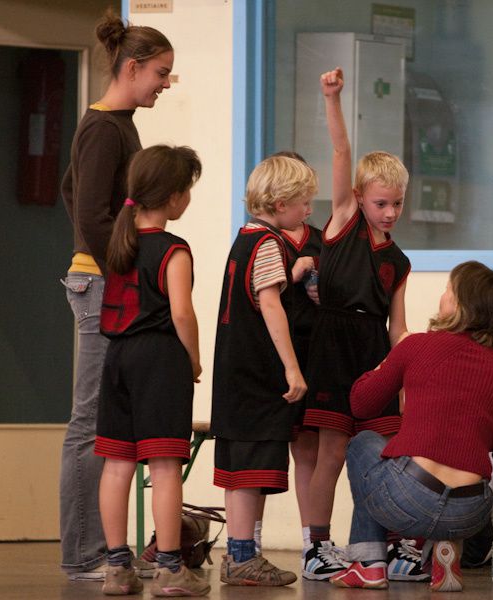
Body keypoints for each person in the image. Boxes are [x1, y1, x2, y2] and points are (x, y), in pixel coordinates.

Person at [329, 261, 493, 592]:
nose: (443, 295)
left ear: (460, 305)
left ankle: (368, 563)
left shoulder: (417, 345)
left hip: (410, 498)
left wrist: (386, 363)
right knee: (435, 470)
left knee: (365, 443)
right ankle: (445, 549)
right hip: (470, 512)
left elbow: (361, 404)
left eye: (448, 290)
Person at [59, 10, 174, 580]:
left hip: (104, 277)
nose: (165, 83)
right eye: (160, 71)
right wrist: (127, 269)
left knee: (104, 423)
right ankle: (87, 553)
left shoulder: (119, 122)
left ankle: (104, 552)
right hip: (102, 282)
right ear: (132, 67)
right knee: (90, 425)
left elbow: (68, 189)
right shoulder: (106, 126)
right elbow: (89, 213)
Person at [301, 67, 412, 582]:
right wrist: (333, 98)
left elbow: (399, 326)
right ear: (359, 198)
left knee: (381, 448)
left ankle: (377, 544)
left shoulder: (400, 262)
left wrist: (404, 373)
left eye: (396, 204)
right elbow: (342, 153)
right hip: (330, 343)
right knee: (331, 450)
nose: (389, 212)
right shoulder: (342, 220)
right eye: (380, 203)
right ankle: (315, 544)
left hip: (372, 351)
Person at [94, 145, 207, 597]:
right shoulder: (173, 249)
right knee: (164, 468)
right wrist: (194, 359)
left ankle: (117, 567)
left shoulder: (119, 243)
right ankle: (169, 569)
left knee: (117, 463)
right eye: (189, 191)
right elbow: (182, 313)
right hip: (160, 359)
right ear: (174, 197)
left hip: (116, 359)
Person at [211, 155, 316, 586]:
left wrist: (294, 272)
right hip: (257, 378)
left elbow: (262, 286)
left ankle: (239, 554)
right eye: (303, 203)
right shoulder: (270, 243)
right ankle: (242, 558)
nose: (308, 210)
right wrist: (293, 370)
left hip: (232, 377)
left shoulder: (246, 239)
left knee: (239, 470)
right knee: (251, 469)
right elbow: (269, 305)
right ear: (278, 203)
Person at [251, 151, 323, 557]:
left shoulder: (317, 239)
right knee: (263, 453)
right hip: (273, 358)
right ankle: (250, 541)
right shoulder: (263, 240)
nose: (307, 208)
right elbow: (262, 299)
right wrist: (293, 278)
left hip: (310, 353)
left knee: (307, 451)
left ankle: (312, 543)